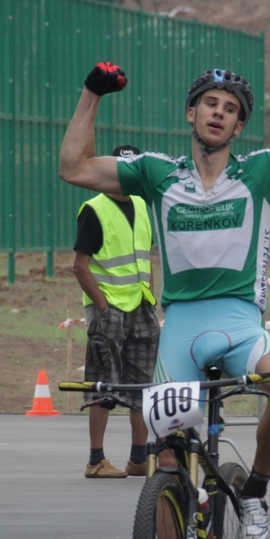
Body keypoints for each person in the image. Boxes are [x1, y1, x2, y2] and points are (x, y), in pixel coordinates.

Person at [59, 50, 270, 539]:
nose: (218, 111)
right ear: (191, 114)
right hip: (180, 326)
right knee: (169, 469)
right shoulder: (157, 174)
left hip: (240, 320)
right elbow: (74, 167)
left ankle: (255, 493)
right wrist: (91, 93)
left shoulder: (263, 171)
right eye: (209, 103)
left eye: (229, 107)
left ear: (238, 125)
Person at [72, 144, 162, 479]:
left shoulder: (142, 205)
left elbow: (145, 256)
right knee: (102, 385)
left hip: (140, 307)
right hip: (108, 309)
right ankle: (96, 460)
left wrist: (150, 298)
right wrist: (102, 305)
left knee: (143, 385)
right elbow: (80, 266)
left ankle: (139, 459)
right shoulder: (94, 209)